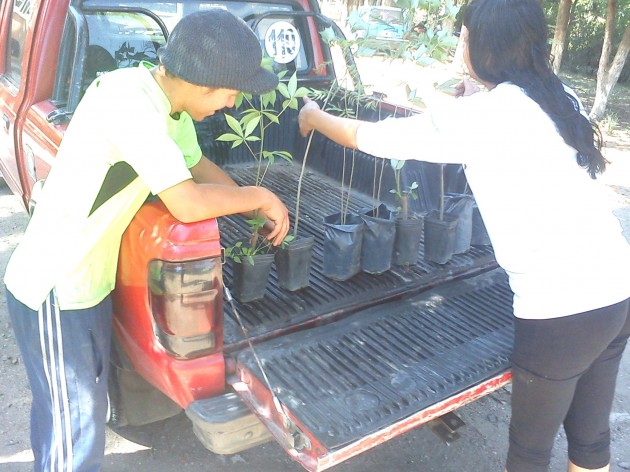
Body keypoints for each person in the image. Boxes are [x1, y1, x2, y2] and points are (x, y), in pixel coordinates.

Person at [297, 0, 630, 471]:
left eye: (466, 37)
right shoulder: (559, 98)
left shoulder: (483, 119)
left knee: (530, 453)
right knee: (591, 441)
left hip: (562, 311)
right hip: (616, 290)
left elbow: (366, 137)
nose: (463, 46)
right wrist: (477, 98)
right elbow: (511, 126)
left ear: (485, 47)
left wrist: (313, 117)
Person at [3, 9, 289, 472]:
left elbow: (196, 167)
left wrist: (251, 205)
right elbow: (188, 203)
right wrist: (258, 194)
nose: (233, 105)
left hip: (87, 286)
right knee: (72, 434)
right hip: (54, 289)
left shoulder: (168, 108)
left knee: (78, 418)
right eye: (232, 93)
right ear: (203, 82)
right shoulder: (131, 107)